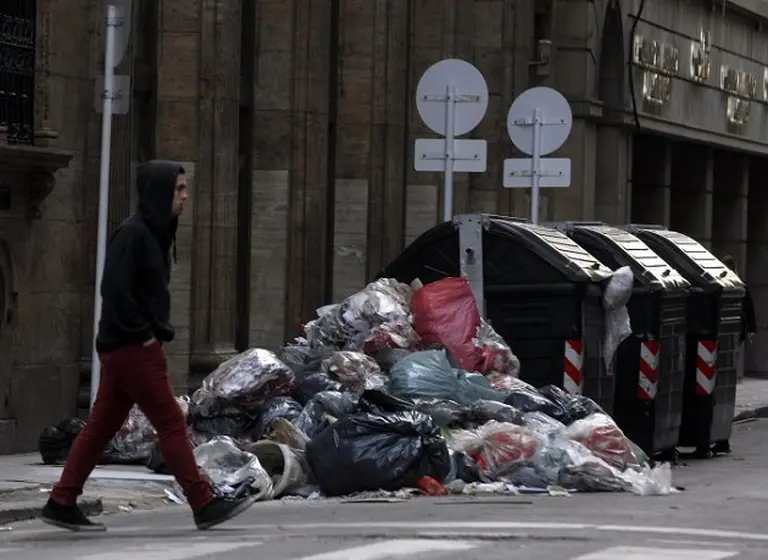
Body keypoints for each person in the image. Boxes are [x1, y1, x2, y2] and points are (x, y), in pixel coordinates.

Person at [40, 160, 256, 532]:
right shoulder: (134, 234)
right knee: (171, 422)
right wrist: (143, 333)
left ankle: (62, 500)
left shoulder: (154, 233)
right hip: (132, 348)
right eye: (180, 189)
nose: (186, 197)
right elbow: (114, 289)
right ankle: (203, 501)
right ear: (161, 192)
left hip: (125, 347)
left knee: (101, 427)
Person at [721, 255, 757, 378]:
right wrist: (752, 329)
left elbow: (749, 308)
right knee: (734, 352)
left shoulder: (730, 285)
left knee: (728, 352)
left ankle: (729, 374)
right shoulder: (741, 286)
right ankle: (732, 374)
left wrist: (752, 329)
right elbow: (749, 308)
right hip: (737, 326)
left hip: (728, 325)